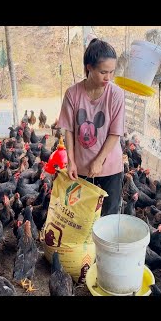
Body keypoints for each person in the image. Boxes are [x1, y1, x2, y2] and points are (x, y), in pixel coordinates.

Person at [58, 38, 125, 216]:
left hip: (110, 166)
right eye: (103, 72)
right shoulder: (73, 93)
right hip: (80, 168)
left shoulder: (116, 94)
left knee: (108, 215)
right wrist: (71, 161)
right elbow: (69, 130)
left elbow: (115, 133)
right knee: (81, 215)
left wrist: (99, 160)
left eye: (112, 72)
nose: (108, 78)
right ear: (89, 67)